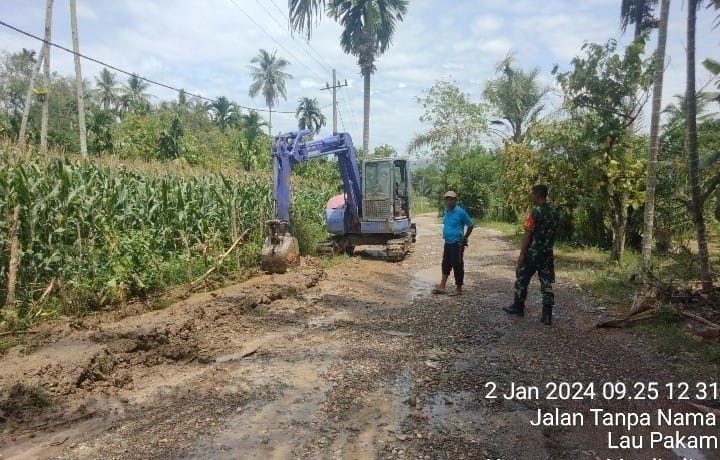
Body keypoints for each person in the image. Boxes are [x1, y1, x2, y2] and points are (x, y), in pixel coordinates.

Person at [503, 184, 559, 325]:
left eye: (532, 194)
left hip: (533, 253)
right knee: (546, 283)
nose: (531, 196)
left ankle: (518, 307)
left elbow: (528, 233)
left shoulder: (535, 212)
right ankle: (547, 315)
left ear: (538, 195)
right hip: (547, 253)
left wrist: (522, 253)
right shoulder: (554, 213)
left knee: (522, 279)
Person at [432, 190, 473, 296]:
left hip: (457, 244)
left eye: (451, 199)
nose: (449, 201)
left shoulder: (461, 212)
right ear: (444, 201)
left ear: (455, 200)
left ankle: (458, 289)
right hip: (448, 242)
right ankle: (442, 286)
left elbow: (470, 225)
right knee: (445, 263)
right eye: (447, 199)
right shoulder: (446, 212)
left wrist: (465, 238)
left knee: (457, 265)